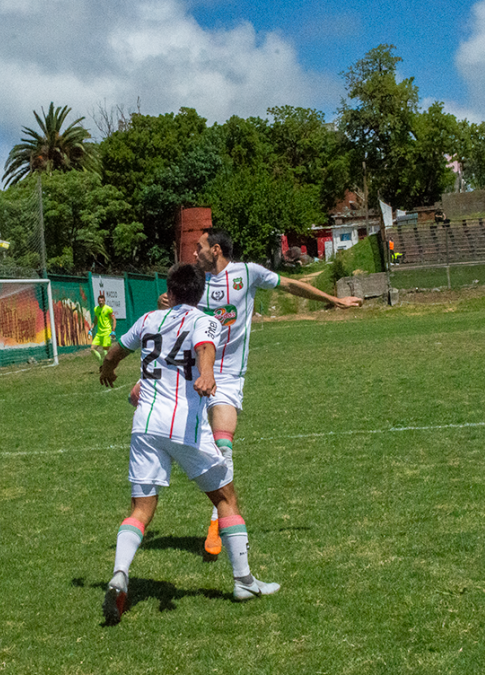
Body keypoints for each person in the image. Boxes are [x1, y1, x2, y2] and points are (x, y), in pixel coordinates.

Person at [140, 228, 362, 556]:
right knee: (187, 442)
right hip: (192, 376)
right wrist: (167, 305)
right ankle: (207, 505)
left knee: (223, 442)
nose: (194, 253)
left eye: (199, 248)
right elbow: (169, 328)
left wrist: (334, 300)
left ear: (216, 250)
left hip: (228, 378)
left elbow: (290, 284)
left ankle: (218, 518)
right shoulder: (195, 284)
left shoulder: (248, 273)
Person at [98, 263, 279, 625]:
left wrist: (107, 369)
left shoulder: (148, 319)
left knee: (140, 510)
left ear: (170, 290)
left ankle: (120, 573)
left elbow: (117, 349)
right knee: (226, 498)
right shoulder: (204, 319)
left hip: (145, 427)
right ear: (200, 292)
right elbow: (205, 347)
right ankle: (244, 581)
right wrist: (208, 372)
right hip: (185, 427)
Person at [89, 292, 115, 365]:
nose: (100, 302)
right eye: (99, 301)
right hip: (99, 333)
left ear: (104, 301)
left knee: (105, 351)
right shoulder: (96, 309)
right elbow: (95, 320)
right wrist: (91, 329)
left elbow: (114, 319)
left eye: (102, 301)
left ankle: (108, 366)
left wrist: (113, 330)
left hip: (107, 332)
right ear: (97, 301)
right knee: (92, 349)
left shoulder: (108, 309)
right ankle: (101, 365)